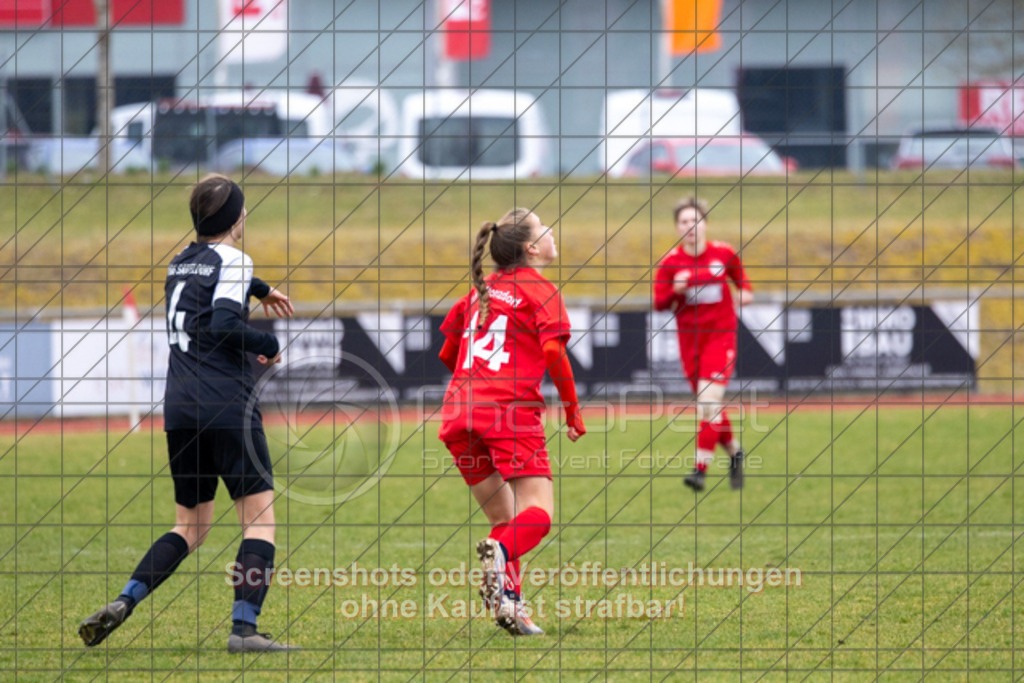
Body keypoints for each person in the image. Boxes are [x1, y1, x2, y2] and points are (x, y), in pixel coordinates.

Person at [78, 175, 299, 653]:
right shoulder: (236, 259)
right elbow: (222, 322)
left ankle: (125, 600)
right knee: (259, 523)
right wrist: (269, 343)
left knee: (190, 526)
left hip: (180, 407)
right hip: (227, 403)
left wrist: (258, 288)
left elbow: (209, 285)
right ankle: (244, 629)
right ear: (237, 218)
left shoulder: (179, 262)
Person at [437, 208, 586, 636]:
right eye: (545, 229)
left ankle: (512, 607)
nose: (553, 233)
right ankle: (499, 557)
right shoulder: (540, 289)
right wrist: (573, 410)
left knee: (506, 518)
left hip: (458, 415)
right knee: (537, 514)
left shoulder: (478, 291)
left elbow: (448, 354)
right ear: (532, 248)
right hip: (508, 412)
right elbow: (555, 353)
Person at [653, 197, 753, 492]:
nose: (690, 227)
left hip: (721, 338)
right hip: (689, 343)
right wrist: (676, 289)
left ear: (705, 224)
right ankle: (735, 453)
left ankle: (699, 470)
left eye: (695, 221)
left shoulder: (723, 254)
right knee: (712, 406)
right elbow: (659, 303)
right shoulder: (671, 263)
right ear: (677, 227)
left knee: (707, 403)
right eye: (684, 222)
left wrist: (742, 296)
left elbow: (745, 287)